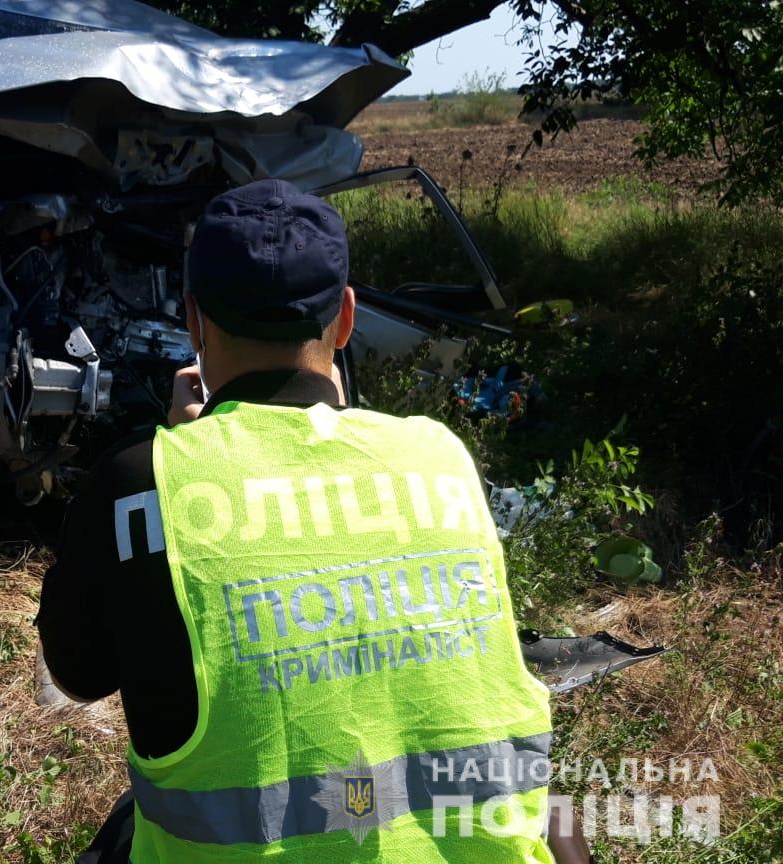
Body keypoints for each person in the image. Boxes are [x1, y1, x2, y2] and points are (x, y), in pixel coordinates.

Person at [38, 179, 590, 863]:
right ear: (348, 318)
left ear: (193, 321)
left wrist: (182, 451)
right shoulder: (440, 455)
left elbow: (78, 676)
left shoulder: (136, 483)